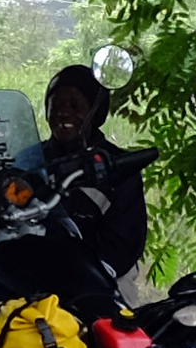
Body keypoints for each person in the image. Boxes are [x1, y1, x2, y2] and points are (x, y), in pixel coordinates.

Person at [20, 61, 147, 311]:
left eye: (75, 105)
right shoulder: (30, 160)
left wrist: (74, 276)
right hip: (33, 288)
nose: (63, 112)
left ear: (95, 113)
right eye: (56, 104)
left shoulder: (118, 167)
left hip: (103, 289)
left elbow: (122, 248)